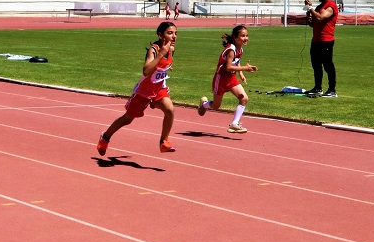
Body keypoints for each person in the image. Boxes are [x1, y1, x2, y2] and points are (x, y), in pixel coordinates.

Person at [97, 21, 177, 155]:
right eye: (170, 33)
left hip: (158, 88)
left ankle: (163, 142)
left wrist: (167, 66)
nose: (174, 36)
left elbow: (163, 64)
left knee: (170, 110)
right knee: (127, 119)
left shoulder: (171, 49)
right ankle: (105, 137)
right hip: (144, 91)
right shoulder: (154, 50)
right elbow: (146, 71)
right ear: (160, 35)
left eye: (175, 33)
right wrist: (160, 55)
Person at [196, 25, 257, 133]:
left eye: (247, 35)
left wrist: (241, 73)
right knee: (216, 106)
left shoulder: (240, 49)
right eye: (242, 36)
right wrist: (245, 68)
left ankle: (234, 123)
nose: (246, 38)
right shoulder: (231, 50)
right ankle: (204, 104)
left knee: (244, 98)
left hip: (231, 78)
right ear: (235, 37)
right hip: (221, 79)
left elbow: (236, 62)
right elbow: (228, 67)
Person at [304, 0, 339, 97]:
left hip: (326, 40)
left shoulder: (331, 6)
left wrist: (310, 8)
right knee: (316, 65)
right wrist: (309, 15)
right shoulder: (319, 7)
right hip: (316, 40)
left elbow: (320, 18)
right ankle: (318, 87)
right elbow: (313, 23)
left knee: (328, 65)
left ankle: (332, 90)